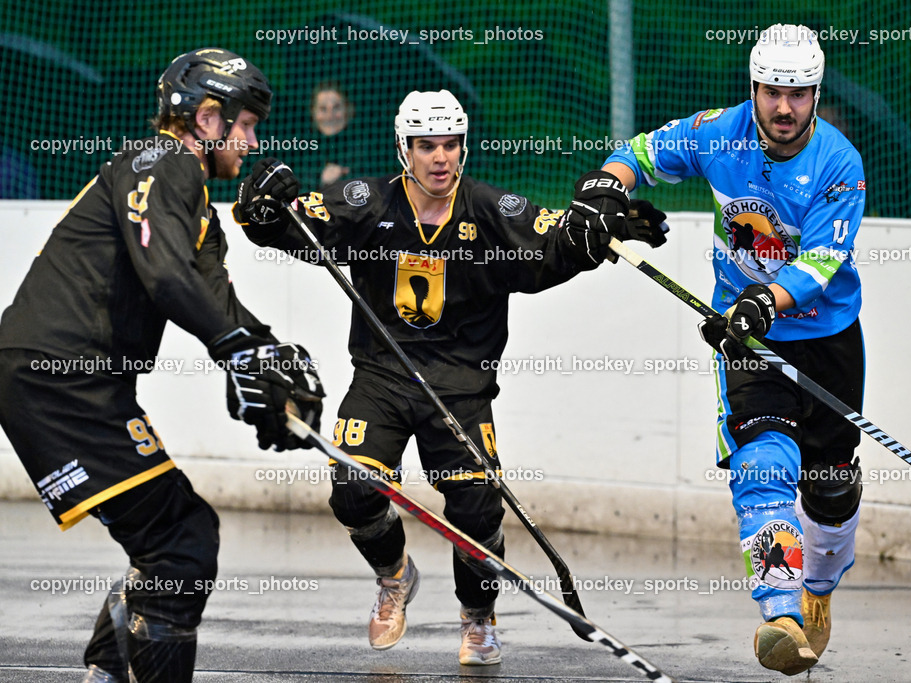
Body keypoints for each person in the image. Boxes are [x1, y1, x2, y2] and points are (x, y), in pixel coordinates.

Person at [232, 89, 664, 666]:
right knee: (354, 489)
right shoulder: (368, 201)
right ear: (403, 148)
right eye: (426, 145)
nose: (441, 158)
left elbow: (555, 244)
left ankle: (479, 617)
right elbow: (294, 226)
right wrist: (261, 207)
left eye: (452, 144)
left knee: (477, 511)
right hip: (383, 376)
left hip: (460, 387)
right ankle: (393, 576)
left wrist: (597, 233)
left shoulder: (491, 210)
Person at [0, 48, 324, 683]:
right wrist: (238, 353)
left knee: (173, 538)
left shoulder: (195, 204)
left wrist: (272, 364)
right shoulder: (164, 161)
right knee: (181, 541)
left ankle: (107, 674)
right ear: (207, 118)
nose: (252, 141)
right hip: (60, 374)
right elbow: (166, 277)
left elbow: (212, 299)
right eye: (247, 124)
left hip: (72, 378)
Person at [597, 24, 866, 676]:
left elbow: (823, 261)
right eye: (773, 91)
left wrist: (764, 300)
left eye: (798, 94)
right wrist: (605, 187)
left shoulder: (839, 162)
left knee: (830, 486)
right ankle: (781, 614)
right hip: (746, 338)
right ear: (754, 88)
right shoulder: (722, 132)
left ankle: (819, 591)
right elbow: (643, 150)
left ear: (815, 93)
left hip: (825, 338)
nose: (784, 107)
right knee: (762, 465)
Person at [310, 80, 354, 188]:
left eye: (336, 107)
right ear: (313, 113)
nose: (330, 116)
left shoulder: (362, 148)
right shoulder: (303, 150)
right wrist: (320, 180)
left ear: (348, 109)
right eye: (323, 109)